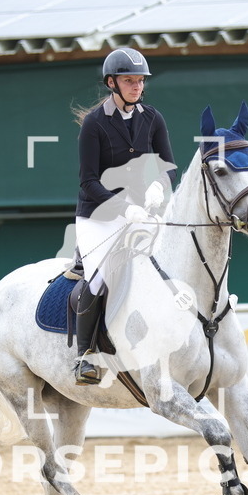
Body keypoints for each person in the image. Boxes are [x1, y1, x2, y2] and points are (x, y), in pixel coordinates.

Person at [72, 47, 176, 386]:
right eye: (129, 81)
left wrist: (159, 187)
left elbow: (166, 167)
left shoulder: (153, 118)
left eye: (140, 81)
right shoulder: (94, 124)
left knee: (168, 264)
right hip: (99, 217)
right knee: (100, 276)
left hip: (143, 212)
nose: (136, 87)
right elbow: (88, 182)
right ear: (112, 83)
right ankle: (85, 355)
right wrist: (123, 207)